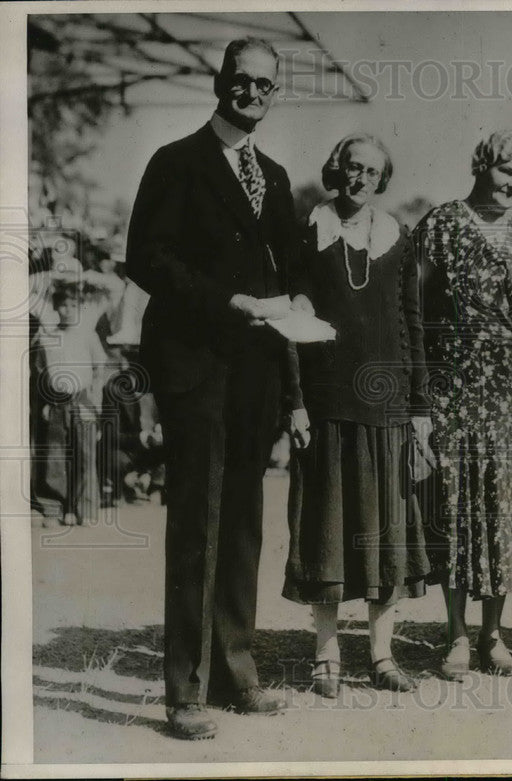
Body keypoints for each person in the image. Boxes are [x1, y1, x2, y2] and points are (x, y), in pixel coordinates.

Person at [126, 37, 307, 739]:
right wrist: (225, 300)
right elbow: (146, 257)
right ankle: (186, 689)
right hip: (195, 366)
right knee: (197, 525)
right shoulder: (176, 162)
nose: (253, 93)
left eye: (265, 84)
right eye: (242, 80)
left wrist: (295, 372)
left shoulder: (281, 177)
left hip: (257, 374)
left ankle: (237, 672)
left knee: (241, 526)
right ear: (220, 81)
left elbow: (288, 282)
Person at [283, 133, 432, 697]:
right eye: (352, 167)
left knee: (386, 536)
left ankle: (382, 655)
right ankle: (326, 655)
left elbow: (411, 324)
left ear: (381, 179)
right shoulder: (308, 233)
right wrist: (294, 400)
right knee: (327, 530)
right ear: (335, 169)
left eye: (371, 171)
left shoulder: (399, 238)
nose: (360, 178)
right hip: (327, 408)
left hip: (389, 407)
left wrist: (420, 407)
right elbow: (289, 324)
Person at [415, 130, 512, 681]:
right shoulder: (442, 224)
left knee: (502, 513)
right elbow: (416, 305)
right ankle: (455, 635)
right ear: (482, 166)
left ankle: (493, 637)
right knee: (457, 513)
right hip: (456, 394)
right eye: (506, 173)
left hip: (508, 398)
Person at [33, 281, 107, 527]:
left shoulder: (88, 334)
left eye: (73, 305)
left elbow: (99, 368)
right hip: (56, 402)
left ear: (80, 306)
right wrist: (45, 401)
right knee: (55, 455)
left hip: (83, 400)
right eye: (62, 305)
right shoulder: (49, 336)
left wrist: (95, 400)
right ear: (56, 308)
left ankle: (83, 508)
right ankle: (54, 507)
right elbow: (42, 371)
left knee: (85, 455)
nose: (67, 310)